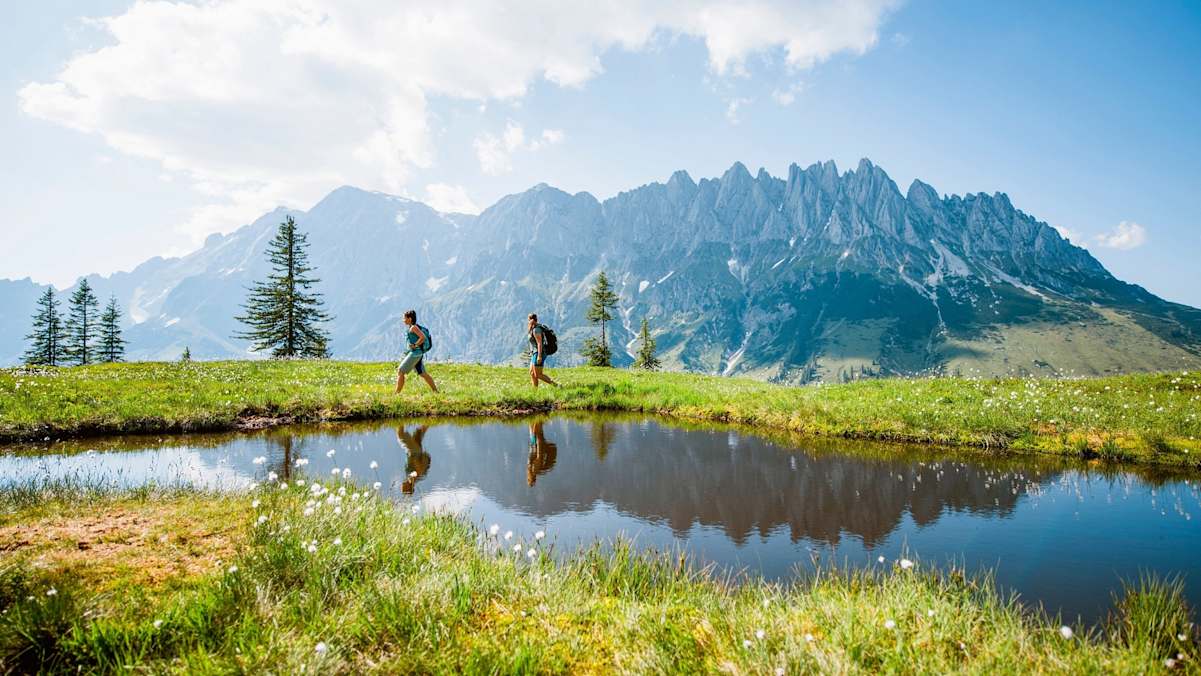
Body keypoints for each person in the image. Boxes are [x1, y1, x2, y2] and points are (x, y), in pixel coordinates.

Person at [396, 310, 438, 394]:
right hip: (418, 354)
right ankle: (436, 392)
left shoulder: (413, 327)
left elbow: (422, 337)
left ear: (410, 319)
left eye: (405, 318)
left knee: (400, 371)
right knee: (423, 373)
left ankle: (396, 394)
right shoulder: (413, 327)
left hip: (415, 354)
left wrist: (415, 345)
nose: (403, 320)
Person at [396, 424, 431, 494]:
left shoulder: (413, 478)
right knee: (401, 435)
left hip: (416, 452)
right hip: (414, 452)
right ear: (408, 487)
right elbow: (419, 469)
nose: (401, 486)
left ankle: (429, 420)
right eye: (403, 487)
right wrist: (415, 460)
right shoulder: (413, 477)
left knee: (419, 432)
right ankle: (400, 420)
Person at [527, 313, 558, 388]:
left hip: (539, 353)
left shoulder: (536, 330)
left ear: (530, 319)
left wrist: (539, 356)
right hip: (535, 353)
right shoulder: (535, 327)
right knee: (532, 372)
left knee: (538, 374)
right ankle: (535, 392)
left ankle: (557, 385)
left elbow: (539, 343)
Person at [526, 420, 558, 486]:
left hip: (536, 442)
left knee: (534, 425)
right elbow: (539, 455)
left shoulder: (533, 469)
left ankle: (537, 419)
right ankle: (538, 419)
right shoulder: (534, 469)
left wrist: (534, 435)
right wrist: (535, 435)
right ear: (532, 478)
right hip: (537, 442)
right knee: (535, 425)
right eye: (529, 479)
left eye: (528, 479)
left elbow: (538, 455)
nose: (527, 477)